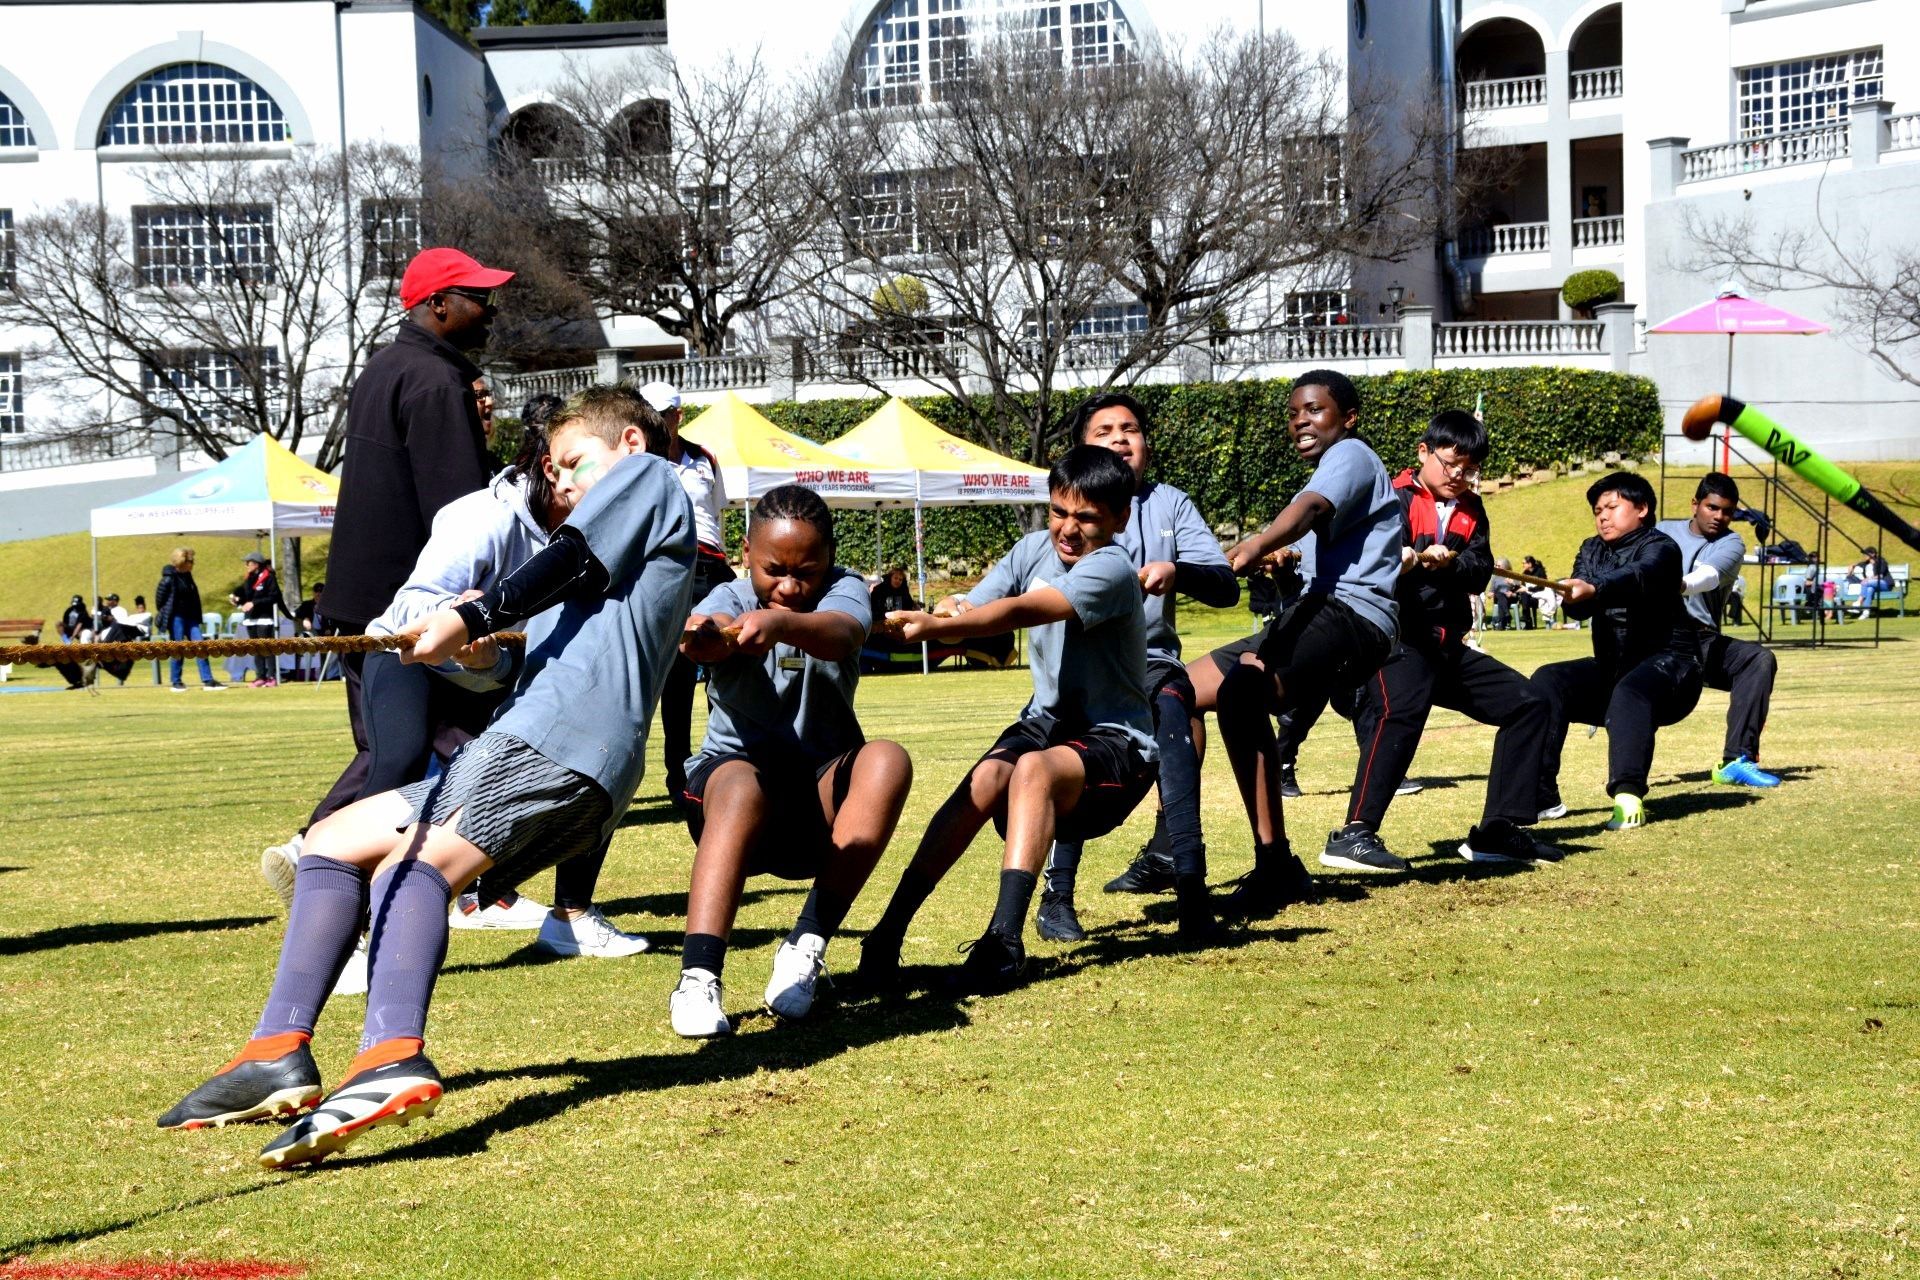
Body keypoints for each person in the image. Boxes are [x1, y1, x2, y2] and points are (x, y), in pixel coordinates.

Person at [157, 408, 695, 1167]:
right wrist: (471, 653)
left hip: (559, 741)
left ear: (628, 443)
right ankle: (277, 1050)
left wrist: (476, 609)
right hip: (533, 733)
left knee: (411, 868)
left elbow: (566, 562)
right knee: (334, 841)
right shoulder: (592, 558)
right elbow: (524, 661)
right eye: (555, 468)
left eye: (573, 461)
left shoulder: (649, 479)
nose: (560, 477)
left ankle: (390, 1056)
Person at [859, 445, 1158, 993]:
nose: (1067, 529)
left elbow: (1027, 609)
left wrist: (936, 626)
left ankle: (1003, 944)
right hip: (1045, 724)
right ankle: (885, 937)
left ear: (1119, 518)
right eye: (1058, 511)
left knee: (1032, 772)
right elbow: (975, 606)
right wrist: (947, 611)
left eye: (1086, 517)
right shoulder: (1030, 550)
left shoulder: (1112, 567)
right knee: (983, 779)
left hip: (1117, 741)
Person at [272, 248, 511, 873]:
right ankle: (321, 854)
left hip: (364, 597)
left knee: (405, 746)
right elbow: (460, 511)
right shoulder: (436, 380)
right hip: (408, 603)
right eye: (477, 299)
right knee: (449, 744)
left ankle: (314, 850)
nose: (490, 312)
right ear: (439, 305)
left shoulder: (384, 366)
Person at [672, 485, 914, 1036]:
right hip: (731, 796)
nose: (788, 586)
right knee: (740, 786)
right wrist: (702, 642)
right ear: (745, 553)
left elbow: (843, 634)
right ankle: (698, 978)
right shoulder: (729, 599)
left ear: (829, 558)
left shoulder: (845, 590)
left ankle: (804, 947)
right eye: (773, 569)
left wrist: (780, 625)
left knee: (887, 760)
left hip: (817, 803)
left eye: (805, 571)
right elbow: (697, 636)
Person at [1310, 411, 1559, 870]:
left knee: (1529, 703)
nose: (1460, 477)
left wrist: (1448, 564)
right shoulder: (1390, 497)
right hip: (1396, 639)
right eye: (1451, 464)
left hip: (1447, 645)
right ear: (1424, 453)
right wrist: (1406, 559)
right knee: (1402, 708)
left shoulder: (1473, 509)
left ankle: (1499, 830)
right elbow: (1369, 561)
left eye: (1470, 469)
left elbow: (1480, 569)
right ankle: (1354, 834)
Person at [1034, 392, 1239, 944]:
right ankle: (1056, 897)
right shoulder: (1064, 515)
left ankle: (1191, 890)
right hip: (1079, 666)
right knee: (1064, 747)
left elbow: (1225, 584)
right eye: (1104, 431)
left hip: (1150, 660)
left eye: (1131, 429)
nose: (1121, 439)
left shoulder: (1170, 504)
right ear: (1081, 449)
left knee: (1180, 716)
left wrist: (1178, 571)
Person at [1204, 368, 1402, 919]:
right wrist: (1281, 556)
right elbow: (1322, 533)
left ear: (1348, 418)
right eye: (1293, 414)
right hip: (1315, 609)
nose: (1300, 422)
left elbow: (1310, 509)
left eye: (1313, 410)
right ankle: (1171, 848)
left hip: (1355, 617)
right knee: (1177, 690)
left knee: (1242, 691)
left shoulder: (1353, 454)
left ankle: (1274, 866)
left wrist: (1258, 541)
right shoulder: (1336, 467)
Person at [1530, 472, 1704, 831]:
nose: (1603, 516)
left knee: (1630, 689)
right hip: (1613, 669)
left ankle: (1628, 794)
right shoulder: (1591, 549)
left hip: (1671, 670)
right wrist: (1571, 594)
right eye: (1597, 510)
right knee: (1549, 680)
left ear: (1641, 508)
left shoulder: (1663, 549)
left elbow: (1639, 576)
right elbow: (1579, 609)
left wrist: (1594, 587)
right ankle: (1542, 797)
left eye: (1612, 506)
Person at [1655, 473, 1782, 788]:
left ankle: (1737, 761)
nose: (1720, 517)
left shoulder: (1731, 543)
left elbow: (1706, 578)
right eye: (1712, 508)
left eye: (1727, 511)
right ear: (1695, 504)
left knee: (1758, 660)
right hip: (1652, 636)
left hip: (1699, 641)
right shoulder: (1659, 531)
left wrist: (1670, 583)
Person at [640, 380, 733, 808]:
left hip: (712, 564)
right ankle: (678, 776)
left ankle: (727, 763)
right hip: (669, 567)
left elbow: (715, 513)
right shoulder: (636, 463)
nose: (663, 421)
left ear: (679, 415)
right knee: (675, 678)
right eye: (654, 414)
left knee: (726, 667)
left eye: (668, 413)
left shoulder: (704, 458)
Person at [155, 549, 225, 692]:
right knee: (178, 648)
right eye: (190, 561)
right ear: (182, 562)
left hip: (191, 617)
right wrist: (169, 613)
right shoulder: (168, 578)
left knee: (200, 645)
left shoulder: (188, 576)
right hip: (176, 618)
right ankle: (176, 681)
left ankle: (208, 680)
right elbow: (159, 600)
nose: (193, 564)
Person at [230, 552, 288, 685]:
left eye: (248, 563)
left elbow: (273, 597)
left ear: (256, 564)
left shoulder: (269, 577)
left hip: (264, 617)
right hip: (251, 618)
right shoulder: (249, 577)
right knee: (256, 648)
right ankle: (260, 676)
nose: (246, 565)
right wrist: (237, 599)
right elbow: (245, 594)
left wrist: (254, 603)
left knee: (266, 647)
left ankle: (271, 676)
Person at [1853, 546, 1894, 617]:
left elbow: (1880, 576)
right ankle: (1866, 612)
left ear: (1873, 554)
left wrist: (1867, 579)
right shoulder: (1866, 564)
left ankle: (1858, 602)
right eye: (1864, 554)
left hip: (1885, 584)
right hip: (1874, 585)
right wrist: (1852, 566)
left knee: (1867, 583)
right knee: (1869, 589)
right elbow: (1856, 565)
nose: (1864, 555)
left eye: (1866, 554)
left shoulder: (1881, 562)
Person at [1489, 558, 1516, 630]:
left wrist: (1512, 584)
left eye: (1499, 566)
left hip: (1510, 597)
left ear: (1505, 567)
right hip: (1499, 597)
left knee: (1501, 600)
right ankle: (1507, 615)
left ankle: (1501, 623)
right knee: (1500, 595)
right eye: (1496, 566)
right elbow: (1491, 590)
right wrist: (1490, 594)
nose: (1496, 567)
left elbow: (1518, 586)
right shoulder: (1494, 577)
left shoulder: (1512, 575)